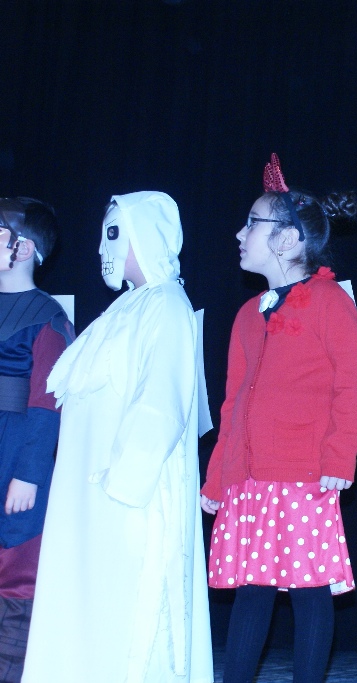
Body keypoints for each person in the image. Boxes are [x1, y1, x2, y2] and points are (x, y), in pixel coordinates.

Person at [23, 191, 213, 682]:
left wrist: (122, 484)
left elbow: (162, 403)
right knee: (86, 609)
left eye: (114, 233)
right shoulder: (126, 309)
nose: (101, 248)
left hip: (126, 498)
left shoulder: (166, 305)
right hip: (87, 496)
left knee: (127, 613)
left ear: (144, 235)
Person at [201, 153, 357, 683]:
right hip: (251, 478)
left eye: (252, 223)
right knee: (252, 589)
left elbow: (353, 383)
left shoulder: (329, 301)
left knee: (308, 590)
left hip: (304, 475)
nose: (240, 233)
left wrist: (339, 457)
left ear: (290, 240)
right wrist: (219, 475)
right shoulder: (247, 315)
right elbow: (233, 404)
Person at [0, 198, 73, 682]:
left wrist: (28, 474)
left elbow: (48, 404)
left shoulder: (47, 317)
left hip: (15, 457)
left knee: (15, 573)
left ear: (22, 248)